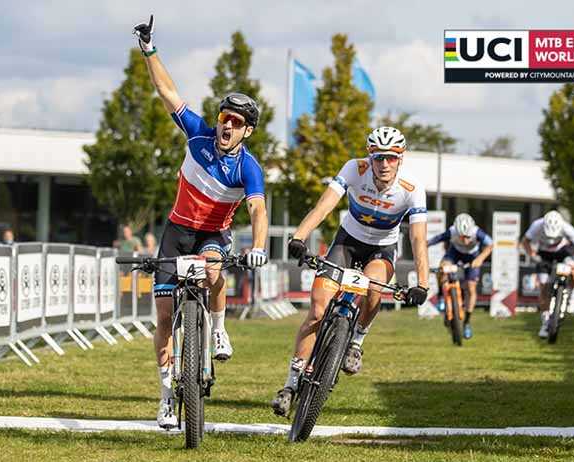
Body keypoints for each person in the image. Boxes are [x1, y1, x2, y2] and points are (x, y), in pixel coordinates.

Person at [133, 15, 269, 430]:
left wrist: (259, 246)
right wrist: (149, 49)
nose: (227, 125)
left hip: (213, 233)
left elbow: (258, 211)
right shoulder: (197, 134)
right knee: (161, 315)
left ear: (247, 132)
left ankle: (219, 329)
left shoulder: (249, 168)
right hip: (176, 231)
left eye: (237, 123)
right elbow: (167, 91)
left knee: (212, 269)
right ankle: (165, 397)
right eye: (225, 117)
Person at [271, 126, 429, 417]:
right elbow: (325, 206)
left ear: (400, 159)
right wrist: (299, 237)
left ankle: (357, 341)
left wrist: (422, 282)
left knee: (374, 287)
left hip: (382, 249)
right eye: (378, 158)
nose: (383, 165)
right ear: (370, 156)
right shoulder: (354, 169)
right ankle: (290, 384)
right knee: (318, 310)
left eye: (391, 158)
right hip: (347, 242)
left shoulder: (412, 188)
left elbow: (418, 238)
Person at [521, 211, 574, 338]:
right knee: (544, 287)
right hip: (544, 254)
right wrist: (533, 255)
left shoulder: (567, 228)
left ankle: (570, 294)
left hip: (563, 253)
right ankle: (545, 321)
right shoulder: (536, 225)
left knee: (573, 269)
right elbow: (525, 242)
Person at [427, 213, 493, 339]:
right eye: (462, 237)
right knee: (443, 267)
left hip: (473, 256)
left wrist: (480, 258)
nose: (465, 241)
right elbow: (435, 240)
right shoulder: (452, 231)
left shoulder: (477, 231)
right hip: (455, 253)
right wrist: (424, 244)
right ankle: (441, 296)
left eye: (468, 237)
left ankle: (467, 322)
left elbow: (491, 244)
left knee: (471, 287)